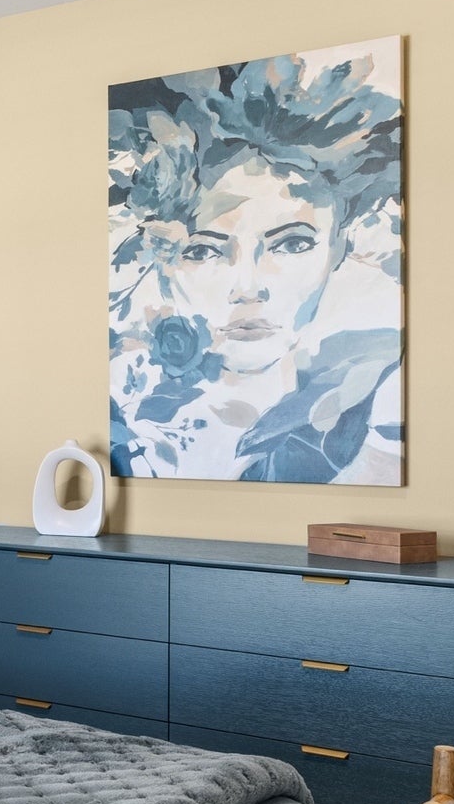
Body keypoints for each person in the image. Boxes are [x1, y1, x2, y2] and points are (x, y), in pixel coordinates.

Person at [107, 44, 404, 483]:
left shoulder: (379, 405)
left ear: (339, 246)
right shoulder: (123, 427)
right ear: (161, 262)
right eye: (202, 251)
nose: (247, 288)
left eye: (292, 244)